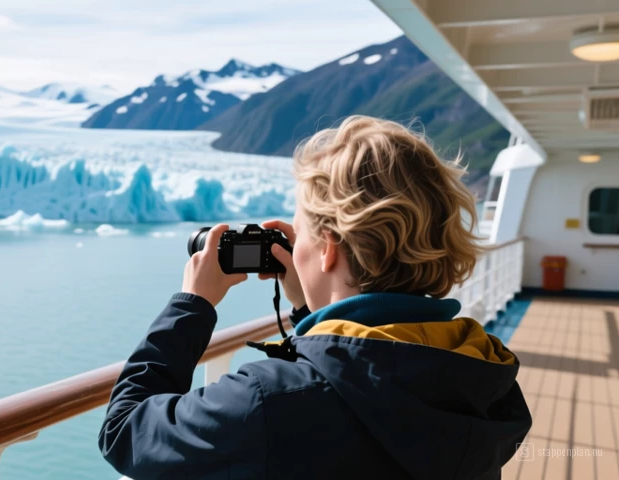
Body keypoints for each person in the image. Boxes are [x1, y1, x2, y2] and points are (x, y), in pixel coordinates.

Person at [98, 115, 532, 479]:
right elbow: (364, 371)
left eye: (301, 231)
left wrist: (192, 305)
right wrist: (311, 313)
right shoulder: (481, 371)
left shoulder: (268, 400)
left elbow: (125, 431)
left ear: (328, 247)